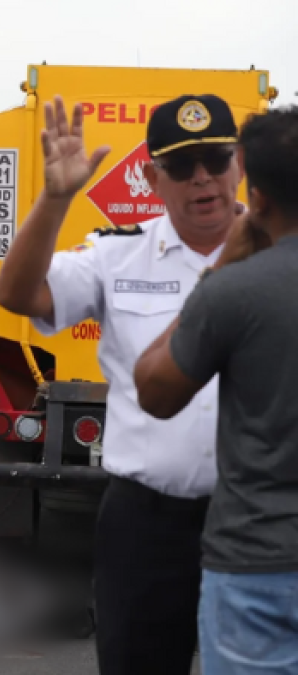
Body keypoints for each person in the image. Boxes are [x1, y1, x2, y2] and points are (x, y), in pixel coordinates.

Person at [0, 93, 243, 675]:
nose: (202, 178)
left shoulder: (279, 254)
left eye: (215, 159)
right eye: (181, 165)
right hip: (147, 520)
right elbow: (19, 294)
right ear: (152, 178)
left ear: (239, 164)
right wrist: (56, 198)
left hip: (256, 518)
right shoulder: (118, 255)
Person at [133, 106, 298, 674]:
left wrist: (218, 273)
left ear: (257, 195)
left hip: (256, 565)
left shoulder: (234, 291)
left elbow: (155, 391)